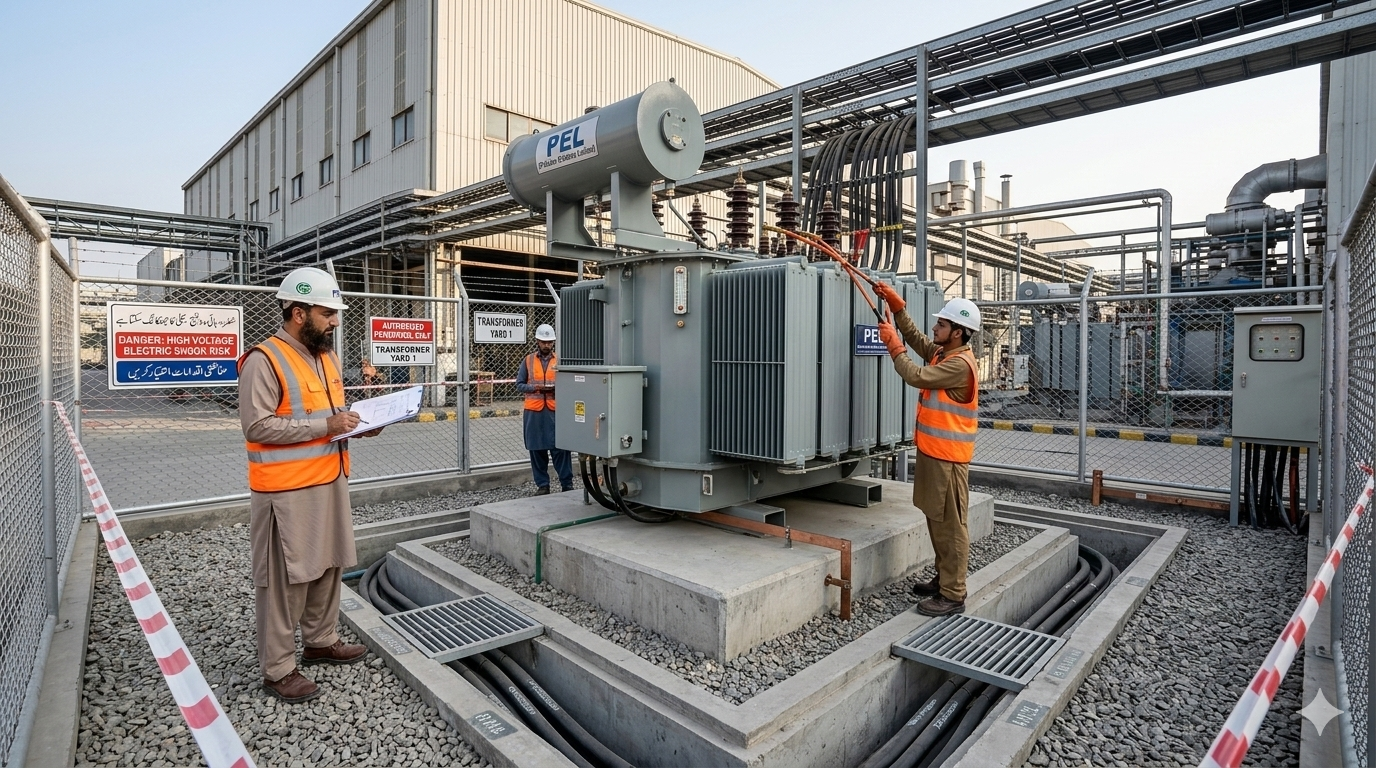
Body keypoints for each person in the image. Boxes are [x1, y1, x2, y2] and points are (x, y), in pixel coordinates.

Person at [238, 266, 384, 703]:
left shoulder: (327, 358)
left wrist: (358, 426)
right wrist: (327, 424)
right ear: (298, 312)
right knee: (286, 580)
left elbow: (333, 418)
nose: (335, 321)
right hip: (285, 492)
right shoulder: (263, 360)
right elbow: (258, 425)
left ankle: (321, 641)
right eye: (327, 313)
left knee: (329, 565)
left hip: (329, 479)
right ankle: (278, 668)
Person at [875, 287, 982, 618]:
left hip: (949, 459)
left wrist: (892, 344)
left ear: (958, 332)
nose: (935, 328)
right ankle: (944, 580)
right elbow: (920, 341)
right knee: (937, 520)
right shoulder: (945, 354)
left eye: (942, 324)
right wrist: (899, 308)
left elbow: (915, 375)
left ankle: (953, 594)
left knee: (950, 525)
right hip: (936, 453)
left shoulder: (959, 365)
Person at [516, 323, 573, 494]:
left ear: (553, 342)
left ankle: (567, 484)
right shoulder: (528, 360)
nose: (546, 345)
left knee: (560, 449)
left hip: (556, 410)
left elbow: (569, 384)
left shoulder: (561, 361)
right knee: (536, 449)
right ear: (537, 341)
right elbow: (519, 384)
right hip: (534, 412)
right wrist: (537, 389)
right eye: (543, 342)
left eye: (549, 342)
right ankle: (543, 485)